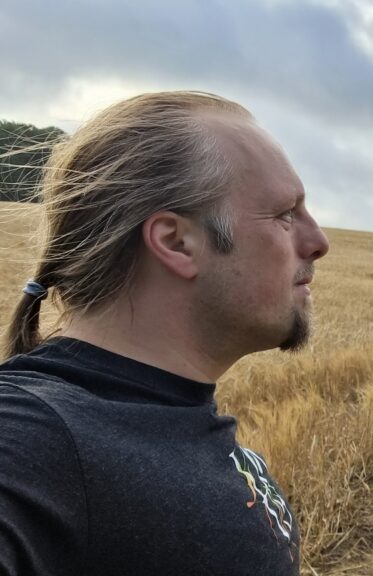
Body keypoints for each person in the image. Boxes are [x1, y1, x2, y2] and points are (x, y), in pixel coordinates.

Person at [0, 91, 330, 575]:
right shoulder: (33, 433)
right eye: (284, 213)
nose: (318, 242)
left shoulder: (162, 417)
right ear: (177, 242)